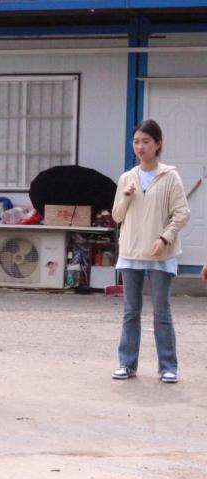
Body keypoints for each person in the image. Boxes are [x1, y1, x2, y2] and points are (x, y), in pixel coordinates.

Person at [111, 119, 190, 383]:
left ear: (158, 144)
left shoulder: (170, 177)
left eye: (146, 141)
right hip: (131, 252)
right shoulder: (127, 178)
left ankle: (168, 367)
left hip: (160, 254)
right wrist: (126, 196)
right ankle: (126, 364)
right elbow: (116, 216)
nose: (140, 147)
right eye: (136, 142)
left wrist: (165, 238)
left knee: (161, 313)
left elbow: (182, 213)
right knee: (131, 311)